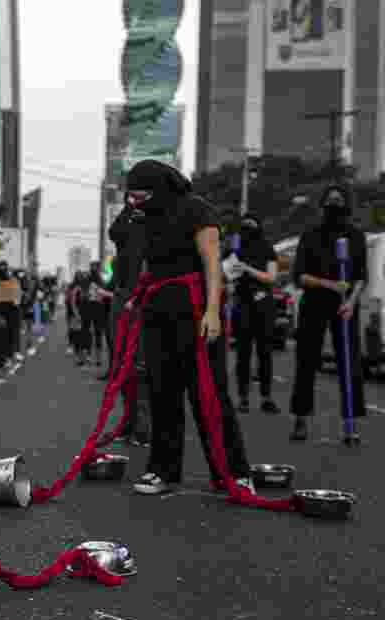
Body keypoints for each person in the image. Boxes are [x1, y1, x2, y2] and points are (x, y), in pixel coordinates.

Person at [121, 160, 254, 496]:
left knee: (208, 391)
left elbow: (212, 264)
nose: (135, 203)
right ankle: (163, 470)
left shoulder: (197, 210)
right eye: (132, 198)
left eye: (140, 196)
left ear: (159, 187)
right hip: (158, 308)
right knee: (162, 391)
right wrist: (137, 297)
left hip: (195, 307)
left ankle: (233, 472)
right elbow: (154, 265)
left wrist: (212, 311)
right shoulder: (147, 218)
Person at [287, 185, 368, 442]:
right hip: (314, 303)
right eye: (330, 200)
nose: (334, 204)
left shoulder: (356, 237)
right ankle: (301, 419)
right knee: (306, 361)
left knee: (350, 363)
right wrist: (331, 285)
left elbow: (361, 277)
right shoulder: (310, 236)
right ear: (323, 206)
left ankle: (351, 423)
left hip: (345, 306)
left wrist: (351, 302)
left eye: (339, 200)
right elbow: (300, 276)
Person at [106, 207, 151, 446]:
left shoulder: (157, 227)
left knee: (141, 366)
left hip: (144, 299)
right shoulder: (125, 230)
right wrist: (129, 206)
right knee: (122, 364)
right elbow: (113, 231)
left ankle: (143, 427)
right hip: (122, 297)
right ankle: (129, 422)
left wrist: (139, 297)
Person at [227, 214, 281, 414]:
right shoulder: (235, 248)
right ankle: (243, 397)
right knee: (243, 353)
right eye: (244, 226)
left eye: (251, 225)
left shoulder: (267, 248)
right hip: (243, 305)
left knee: (265, 352)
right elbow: (226, 273)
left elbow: (271, 277)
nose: (248, 229)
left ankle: (267, 397)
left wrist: (247, 269)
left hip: (263, 305)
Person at [0, 260, 21, 364]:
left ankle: (2, 356)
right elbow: (17, 300)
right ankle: (9, 355)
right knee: (10, 334)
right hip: (9, 312)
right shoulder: (12, 281)